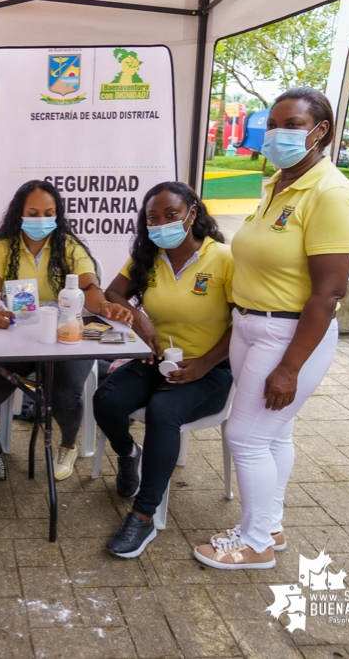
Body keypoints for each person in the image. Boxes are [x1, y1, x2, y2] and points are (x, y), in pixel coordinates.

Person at [194, 87, 349, 570]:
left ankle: (255, 544)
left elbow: (328, 293)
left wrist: (290, 367)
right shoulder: (277, 185)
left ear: (320, 131)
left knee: (245, 436)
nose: (277, 134)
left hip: (288, 336)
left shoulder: (329, 194)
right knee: (275, 434)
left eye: (291, 125)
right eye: (273, 124)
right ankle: (270, 525)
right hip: (250, 326)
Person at [93, 182, 234, 559]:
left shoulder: (222, 258)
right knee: (106, 398)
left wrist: (206, 363)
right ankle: (127, 454)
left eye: (171, 215)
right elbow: (112, 293)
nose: (161, 224)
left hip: (209, 368)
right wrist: (137, 316)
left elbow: (243, 322)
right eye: (152, 218)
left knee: (163, 411)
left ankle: (143, 515)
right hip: (157, 360)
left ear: (192, 213)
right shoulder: (147, 256)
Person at [0, 180, 133, 480]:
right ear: (18, 214)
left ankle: (68, 445)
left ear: (58, 215)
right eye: (32, 213)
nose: (40, 220)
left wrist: (104, 307)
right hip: (18, 337)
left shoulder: (69, 247)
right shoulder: (3, 248)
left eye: (49, 213)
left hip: (66, 336)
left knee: (65, 396)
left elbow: (89, 286)